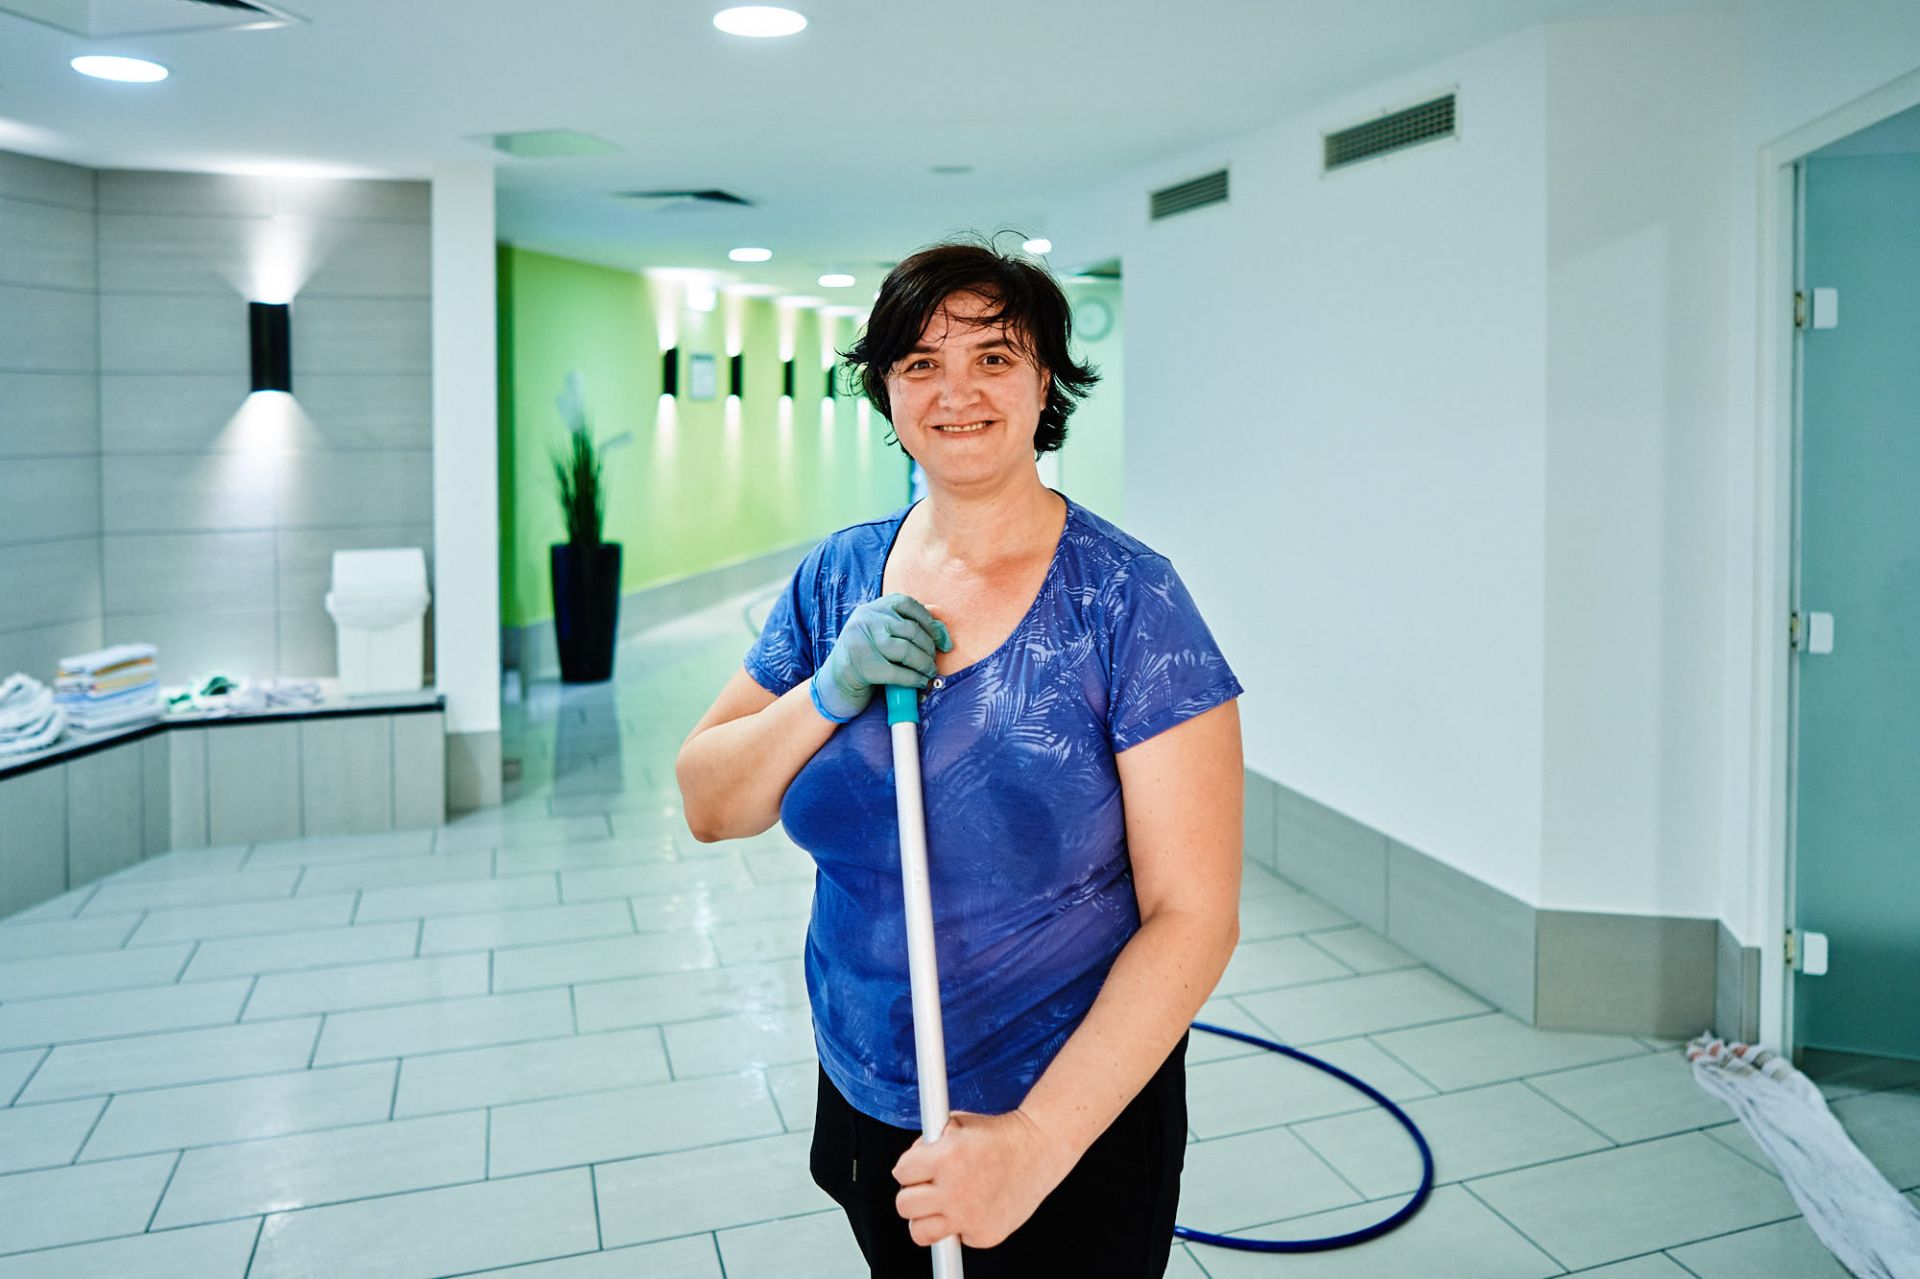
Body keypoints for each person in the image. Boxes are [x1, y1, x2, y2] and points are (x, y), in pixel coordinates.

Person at [677, 240, 1243, 1277]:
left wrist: (1036, 1142)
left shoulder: (1129, 601)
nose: (957, 392)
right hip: (865, 1084)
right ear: (887, 390)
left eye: (993, 357)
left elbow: (1195, 914)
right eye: (921, 362)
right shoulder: (838, 577)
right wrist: (824, 691)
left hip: (1068, 1109)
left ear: (1045, 380)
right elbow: (711, 803)